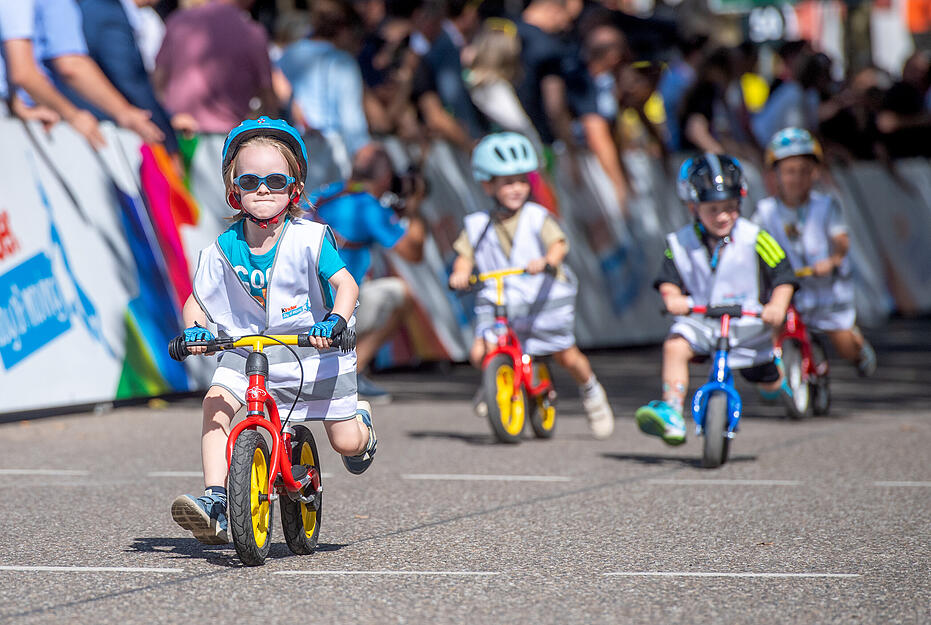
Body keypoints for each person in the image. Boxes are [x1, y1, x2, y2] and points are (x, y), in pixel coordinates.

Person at [170, 117, 376, 545]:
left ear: (294, 188)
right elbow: (199, 301)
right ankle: (217, 500)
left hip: (311, 348)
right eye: (250, 180)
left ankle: (363, 426)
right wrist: (194, 331)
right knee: (217, 403)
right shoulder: (221, 249)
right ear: (234, 189)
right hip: (247, 350)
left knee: (346, 441)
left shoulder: (311, 238)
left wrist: (335, 322)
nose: (263, 189)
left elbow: (346, 285)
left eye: (276, 180)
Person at [448, 131, 615, 439]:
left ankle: (592, 393)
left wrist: (548, 260)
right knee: (479, 351)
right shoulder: (476, 225)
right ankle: (496, 381)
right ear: (488, 185)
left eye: (522, 181)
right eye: (507, 182)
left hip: (541, 302)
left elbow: (558, 245)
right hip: (501, 302)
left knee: (566, 354)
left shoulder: (538, 217)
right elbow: (464, 257)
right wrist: (461, 272)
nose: (517, 189)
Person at [634, 153, 797, 445]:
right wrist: (673, 298)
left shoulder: (755, 237)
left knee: (769, 381)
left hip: (747, 325)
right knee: (674, 346)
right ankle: (672, 411)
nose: (723, 216)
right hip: (702, 321)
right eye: (713, 209)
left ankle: (775, 376)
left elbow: (784, 274)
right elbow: (668, 279)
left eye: (731, 208)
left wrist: (777, 306)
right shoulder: (679, 243)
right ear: (692, 207)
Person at [309, 143, 427, 404]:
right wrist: (414, 208)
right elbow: (413, 253)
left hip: (302, 305)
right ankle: (352, 373)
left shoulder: (325, 193)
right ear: (386, 178)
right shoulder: (369, 207)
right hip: (337, 307)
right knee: (403, 294)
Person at [753, 127, 876, 376]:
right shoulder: (765, 212)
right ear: (775, 174)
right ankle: (774, 376)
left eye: (804, 171)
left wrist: (832, 260)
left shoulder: (826, 204)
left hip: (825, 291)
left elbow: (841, 239)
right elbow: (751, 244)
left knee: (844, 346)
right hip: (787, 289)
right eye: (789, 171)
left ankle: (857, 347)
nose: (796, 178)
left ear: (815, 172)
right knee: (770, 331)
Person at [154, 0, 277, 136]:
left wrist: (167, 117)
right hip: (228, 137)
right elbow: (267, 97)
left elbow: (158, 81)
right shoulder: (253, 33)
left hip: (179, 133)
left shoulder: (178, 21)